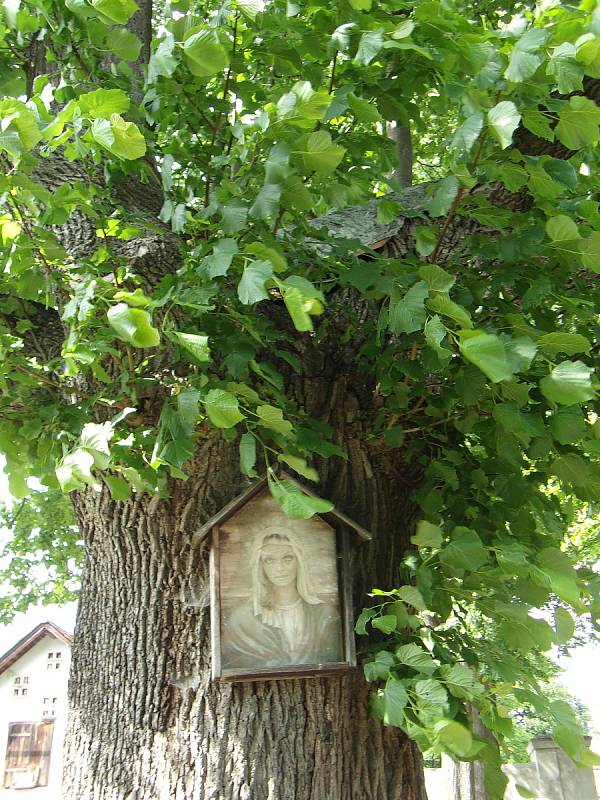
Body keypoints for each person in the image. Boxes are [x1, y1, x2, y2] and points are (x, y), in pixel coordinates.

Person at [221, 529, 343, 669]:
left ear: (299, 561)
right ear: (260, 567)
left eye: (287, 558)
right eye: (269, 560)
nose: (280, 568)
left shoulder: (324, 614)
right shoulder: (242, 621)